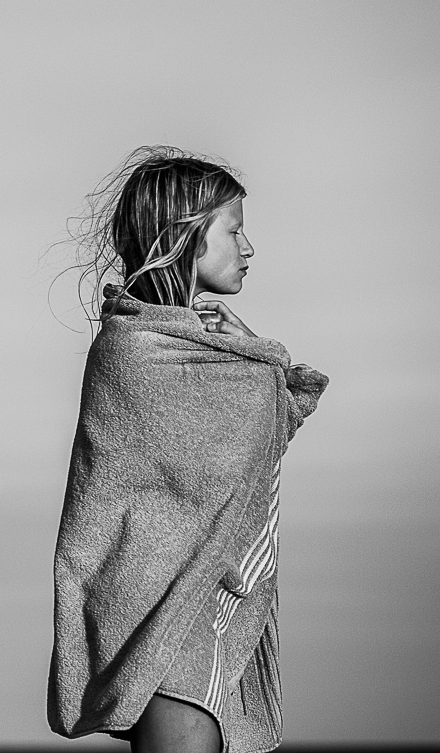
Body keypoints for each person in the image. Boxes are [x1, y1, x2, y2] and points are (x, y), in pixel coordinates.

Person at [49, 148, 328, 753]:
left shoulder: (197, 351)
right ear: (186, 235)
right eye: (235, 230)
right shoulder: (136, 349)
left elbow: (259, 440)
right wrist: (263, 362)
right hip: (172, 612)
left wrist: (253, 355)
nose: (248, 248)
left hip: (199, 607)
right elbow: (250, 434)